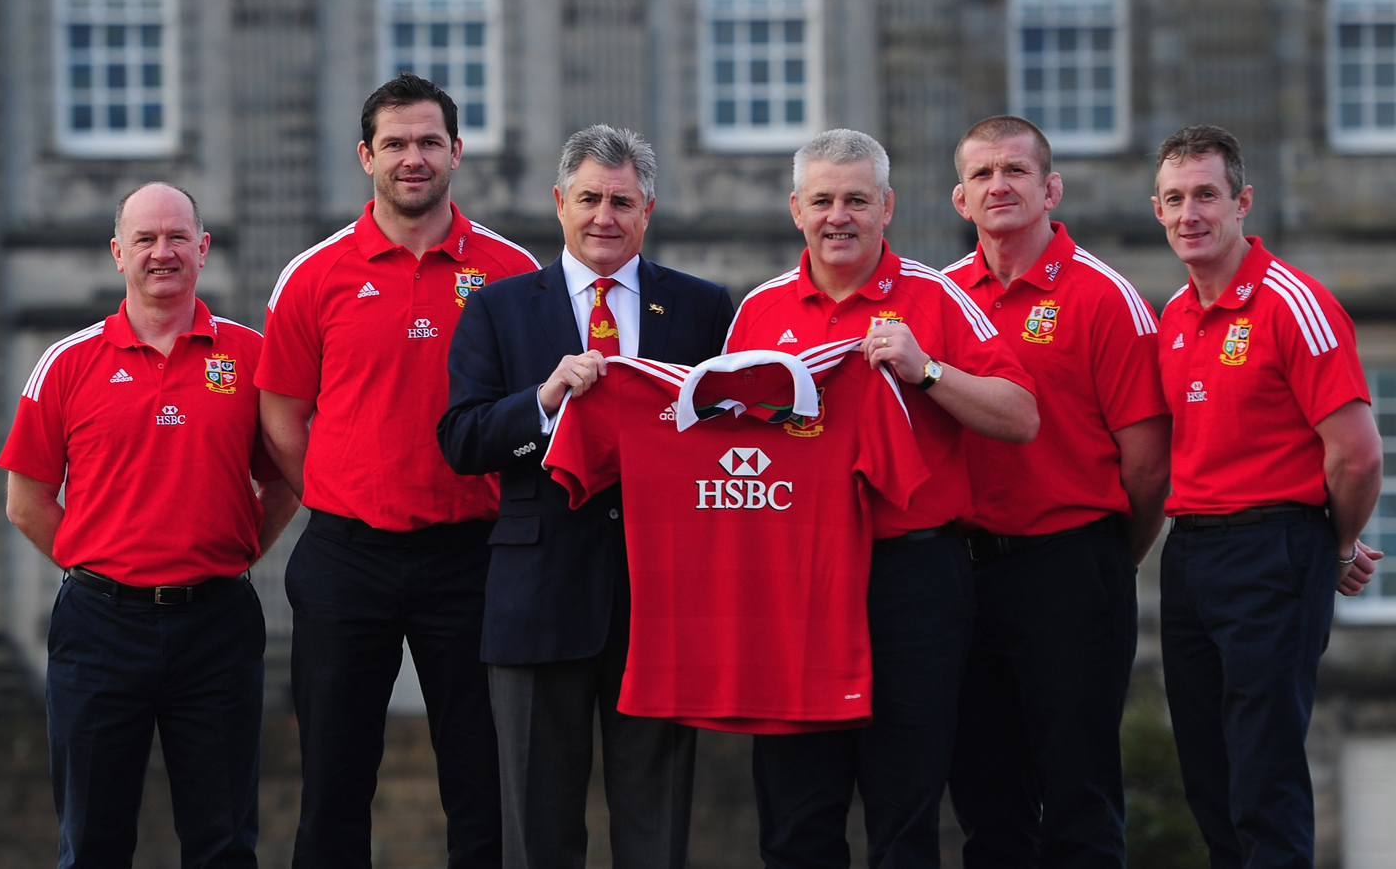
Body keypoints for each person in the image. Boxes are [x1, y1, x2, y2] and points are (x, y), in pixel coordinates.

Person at [723, 128, 1038, 869]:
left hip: (913, 579)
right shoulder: (758, 312)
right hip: (794, 584)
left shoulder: (938, 294)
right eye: (824, 200)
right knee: (797, 815)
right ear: (795, 209)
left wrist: (926, 370)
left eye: (857, 199)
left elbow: (1021, 414)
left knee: (905, 814)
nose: (841, 215)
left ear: (887, 206)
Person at [256, 74, 539, 869]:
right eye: (395, 144)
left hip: (475, 558)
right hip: (348, 557)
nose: (412, 159)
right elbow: (280, 413)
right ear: (366, 156)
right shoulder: (314, 274)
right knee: (334, 786)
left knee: (482, 785)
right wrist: (337, 489)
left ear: (456, 152)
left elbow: (541, 410)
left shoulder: (514, 272)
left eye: (428, 143)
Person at [436, 124, 734, 869]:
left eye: (623, 201)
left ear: (649, 209)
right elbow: (461, 439)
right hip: (536, 595)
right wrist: (542, 398)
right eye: (591, 198)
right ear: (560, 202)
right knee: (536, 835)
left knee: (656, 828)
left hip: (661, 596)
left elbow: (730, 444)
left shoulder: (702, 308)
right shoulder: (498, 310)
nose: (606, 215)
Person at [0, 182, 298, 868]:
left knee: (223, 842)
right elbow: (27, 501)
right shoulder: (67, 363)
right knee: (93, 842)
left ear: (203, 248)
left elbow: (286, 479)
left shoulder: (251, 357)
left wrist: (241, 548)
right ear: (117, 253)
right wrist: (101, 563)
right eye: (144, 239)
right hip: (99, 628)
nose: (161, 252)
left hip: (218, 624)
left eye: (175, 237)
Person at [940, 115, 1171, 869]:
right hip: (963, 573)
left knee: (1079, 799)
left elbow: (1147, 466)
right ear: (959, 199)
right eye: (982, 175)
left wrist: (1107, 558)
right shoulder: (939, 298)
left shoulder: (1106, 297)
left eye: (1015, 171)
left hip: (1070, 568)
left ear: (1051, 189)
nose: (999, 186)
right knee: (986, 803)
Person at [1152, 125, 1383, 869]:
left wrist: (1334, 545)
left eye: (1207, 195)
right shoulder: (1173, 316)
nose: (1191, 213)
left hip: (1272, 548)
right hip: (1189, 553)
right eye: (1176, 198)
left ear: (1242, 202)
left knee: (1264, 774)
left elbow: (1358, 454)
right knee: (1209, 774)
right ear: (1158, 210)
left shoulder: (1294, 302)